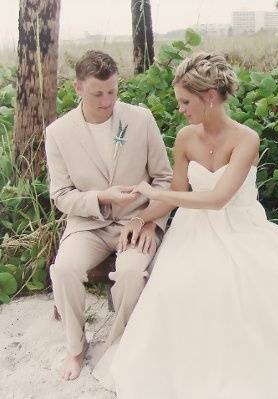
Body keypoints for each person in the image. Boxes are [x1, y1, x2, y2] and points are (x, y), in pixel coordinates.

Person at [93, 51, 278, 398]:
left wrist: (152, 192)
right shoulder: (185, 138)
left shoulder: (246, 139)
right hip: (194, 229)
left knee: (247, 287)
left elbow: (219, 198)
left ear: (209, 97)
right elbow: (176, 193)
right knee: (176, 288)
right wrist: (141, 215)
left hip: (240, 228)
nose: (180, 108)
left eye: (185, 101)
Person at [44, 50, 172, 381]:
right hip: (88, 224)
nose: (106, 101)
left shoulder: (140, 119)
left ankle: (121, 344)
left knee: (131, 274)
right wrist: (100, 196)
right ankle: (76, 347)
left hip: (137, 221)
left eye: (112, 91)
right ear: (78, 88)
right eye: (97, 93)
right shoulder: (58, 133)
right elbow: (60, 195)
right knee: (64, 269)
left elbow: (164, 179)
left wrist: (150, 221)